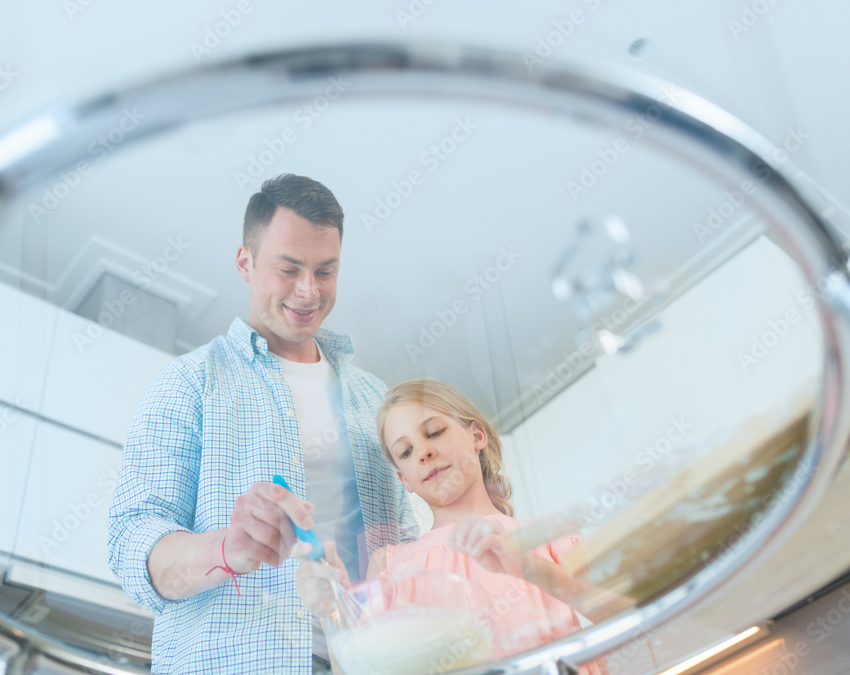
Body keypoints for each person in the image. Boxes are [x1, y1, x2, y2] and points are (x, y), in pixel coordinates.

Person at [107, 174, 418, 674]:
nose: (308, 291)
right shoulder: (189, 383)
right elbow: (131, 546)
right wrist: (226, 548)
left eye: (325, 271)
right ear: (245, 263)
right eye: (289, 269)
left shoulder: (373, 397)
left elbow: (403, 545)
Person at [298, 378, 626, 674]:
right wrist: (332, 615)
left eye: (435, 432)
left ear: (477, 436)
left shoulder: (548, 538)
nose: (424, 453)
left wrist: (529, 567)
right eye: (406, 452)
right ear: (404, 479)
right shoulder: (389, 565)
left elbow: (628, 620)